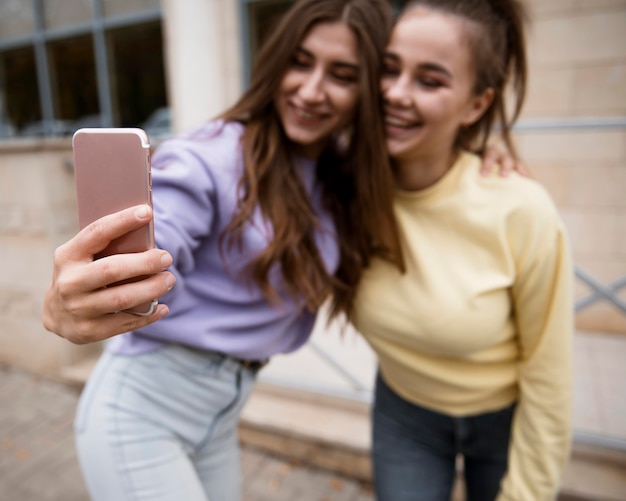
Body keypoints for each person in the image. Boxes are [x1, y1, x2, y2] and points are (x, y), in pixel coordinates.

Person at [43, 1, 403, 499]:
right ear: (275, 62)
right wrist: (103, 282)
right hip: (141, 411)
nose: (312, 89)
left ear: (368, 90)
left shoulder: (341, 174)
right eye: (300, 62)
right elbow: (165, 222)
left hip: (221, 416)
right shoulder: (213, 155)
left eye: (341, 74)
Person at [351, 1, 573, 501]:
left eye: (430, 81)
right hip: (402, 411)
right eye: (388, 70)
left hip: (505, 422)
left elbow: (550, 373)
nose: (394, 93)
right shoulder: (345, 187)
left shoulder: (520, 210)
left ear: (476, 105)